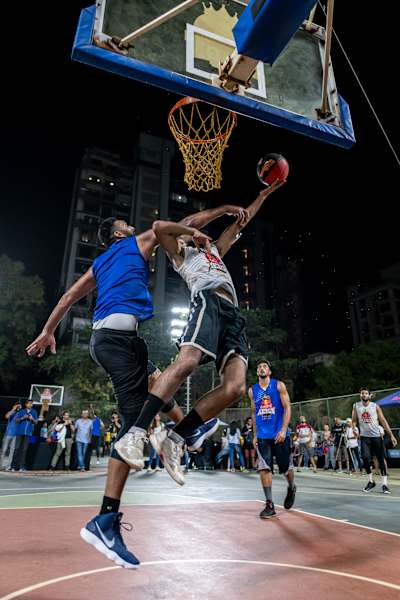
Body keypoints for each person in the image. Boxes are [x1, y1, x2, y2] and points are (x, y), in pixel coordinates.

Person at [26, 203, 246, 569]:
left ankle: (184, 431)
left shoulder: (99, 265)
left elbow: (67, 297)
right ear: (118, 233)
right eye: (125, 224)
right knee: (132, 427)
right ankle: (105, 519)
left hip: (119, 342)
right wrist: (208, 219)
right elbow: (180, 225)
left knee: (159, 381)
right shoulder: (133, 244)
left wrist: (49, 330)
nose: (130, 225)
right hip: (116, 341)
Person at [119, 182, 285, 487]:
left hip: (233, 315)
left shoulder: (216, 251)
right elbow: (159, 227)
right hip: (206, 300)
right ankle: (136, 432)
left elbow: (242, 219)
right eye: (192, 229)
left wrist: (264, 193)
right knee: (187, 363)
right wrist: (217, 212)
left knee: (235, 387)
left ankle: (175, 438)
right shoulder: (180, 252)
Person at [249, 359, 296, 519]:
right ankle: (269, 504)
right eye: (259, 367)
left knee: (285, 468)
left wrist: (284, 429)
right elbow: (254, 413)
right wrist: (255, 434)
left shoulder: (278, 386)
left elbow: (287, 407)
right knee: (264, 468)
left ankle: (291, 487)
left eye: (265, 366)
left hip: (279, 435)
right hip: (263, 435)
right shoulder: (252, 390)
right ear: (257, 372)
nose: (262, 368)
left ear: (269, 371)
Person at [352, 387, 397, 494]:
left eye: (366, 393)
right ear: (360, 395)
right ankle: (370, 481)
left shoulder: (375, 406)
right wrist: (354, 429)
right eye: (362, 393)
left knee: (381, 460)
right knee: (365, 459)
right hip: (364, 437)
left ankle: (385, 485)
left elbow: (383, 420)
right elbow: (354, 420)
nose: (364, 395)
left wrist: (391, 435)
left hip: (376, 436)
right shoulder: (356, 406)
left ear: (369, 395)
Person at [11, 400, 38, 472]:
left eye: (31, 404)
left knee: (24, 450)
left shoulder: (34, 412)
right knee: (16, 449)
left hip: (28, 433)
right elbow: (16, 420)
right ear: (26, 404)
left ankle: (21, 467)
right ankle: (13, 466)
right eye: (29, 403)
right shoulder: (22, 411)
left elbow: (36, 422)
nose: (30, 405)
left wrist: (32, 419)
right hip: (19, 432)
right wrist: (23, 417)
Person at [1, 402, 21, 470]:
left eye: (19, 406)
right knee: (4, 450)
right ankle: (0, 465)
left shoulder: (20, 413)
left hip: (15, 435)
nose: (18, 407)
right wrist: (13, 409)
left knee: (11, 451)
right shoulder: (12, 412)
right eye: (17, 406)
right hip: (8, 434)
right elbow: (6, 416)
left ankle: (8, 466)